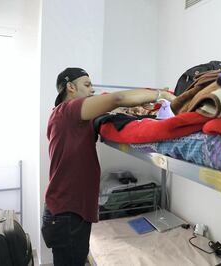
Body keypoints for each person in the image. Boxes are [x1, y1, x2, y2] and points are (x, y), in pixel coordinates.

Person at [41, 67, 175, 266]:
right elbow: (117, 99)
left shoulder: (70, 117)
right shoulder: (67, 111)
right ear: (70, 87)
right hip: (67, 213)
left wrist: (141, 106)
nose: (92, 89)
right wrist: (161, 94)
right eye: (87, 85)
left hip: (68, 210)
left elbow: (117, 108)